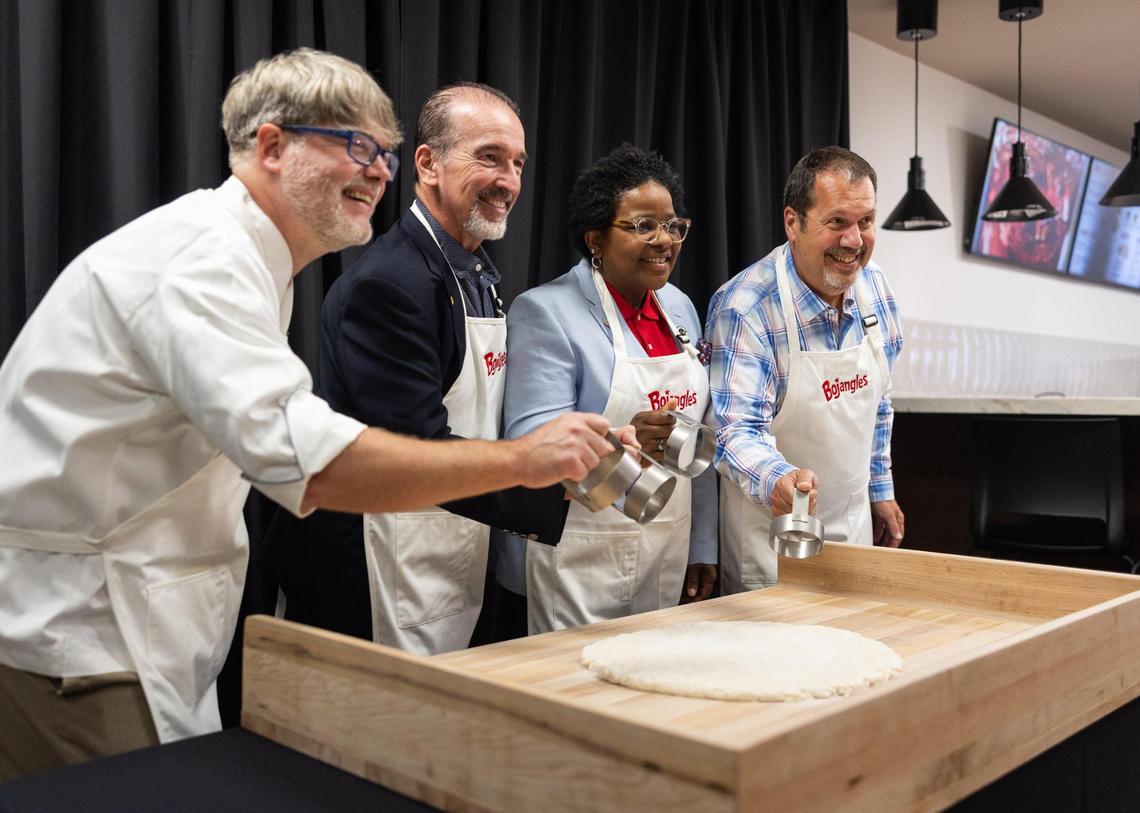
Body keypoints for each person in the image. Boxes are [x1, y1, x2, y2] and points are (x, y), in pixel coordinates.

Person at [0, 49, 620, 781]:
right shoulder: (200, 263)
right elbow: (315, 464)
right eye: (356, 147)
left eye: (384, 155)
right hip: (84, 639)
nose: (379, 173)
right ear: (271, 146)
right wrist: (526, 460)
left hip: (155, 628)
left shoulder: (255, 262)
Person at [263, 82, 572, 656]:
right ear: (428, 164)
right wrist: (556, 486)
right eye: (489, 157)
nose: (509, 181)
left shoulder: (475, 275)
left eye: (517, 163)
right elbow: (415, 447)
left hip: (447, 537)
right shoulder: (392, 284)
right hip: (373, 558)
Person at [494, 144, 718, 634]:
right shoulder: (546, 313)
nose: (665, 240)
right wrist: (622, 443)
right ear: (595, 238)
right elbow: (532, 455)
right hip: (577, 553)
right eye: (643, 226)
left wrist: (703, 545)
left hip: (666, 546)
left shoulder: (679, 307)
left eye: (674, 225)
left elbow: (699, 438)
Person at [706, 146, 905, 595]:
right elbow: (733, 430)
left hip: (853, 530)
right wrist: (776, 479)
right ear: (792, 223)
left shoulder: (879, 290)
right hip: (773, 539)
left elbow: (880, 401)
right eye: (837, 222)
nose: (854, 241)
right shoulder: (746, 308)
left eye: (866, 222)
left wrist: (881, 487)